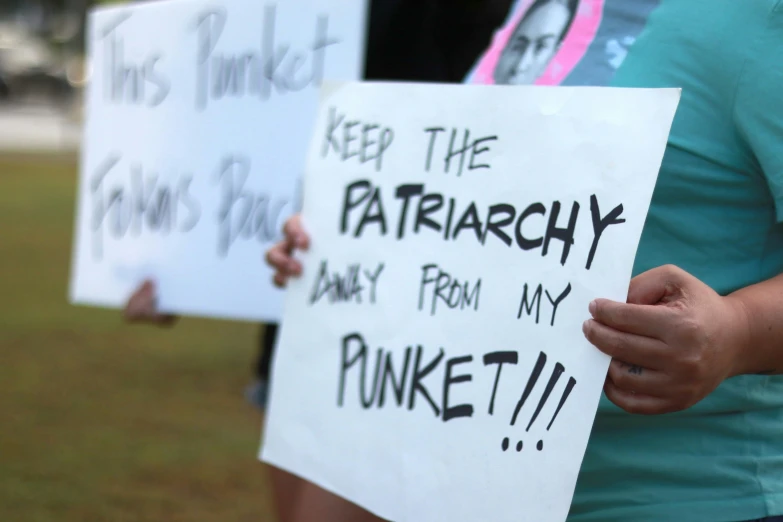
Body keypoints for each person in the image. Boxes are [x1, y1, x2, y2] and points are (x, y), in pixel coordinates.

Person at [268, 0, 783, 520]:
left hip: (682, 494)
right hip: (461, 484)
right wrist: (340, 246)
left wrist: (737, 331)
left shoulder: (757, 18)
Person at [124, 2, 511, 522]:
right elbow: (222, 132)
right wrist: (180, 273)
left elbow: (500, 135)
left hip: (407, 349)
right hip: (297, 335)